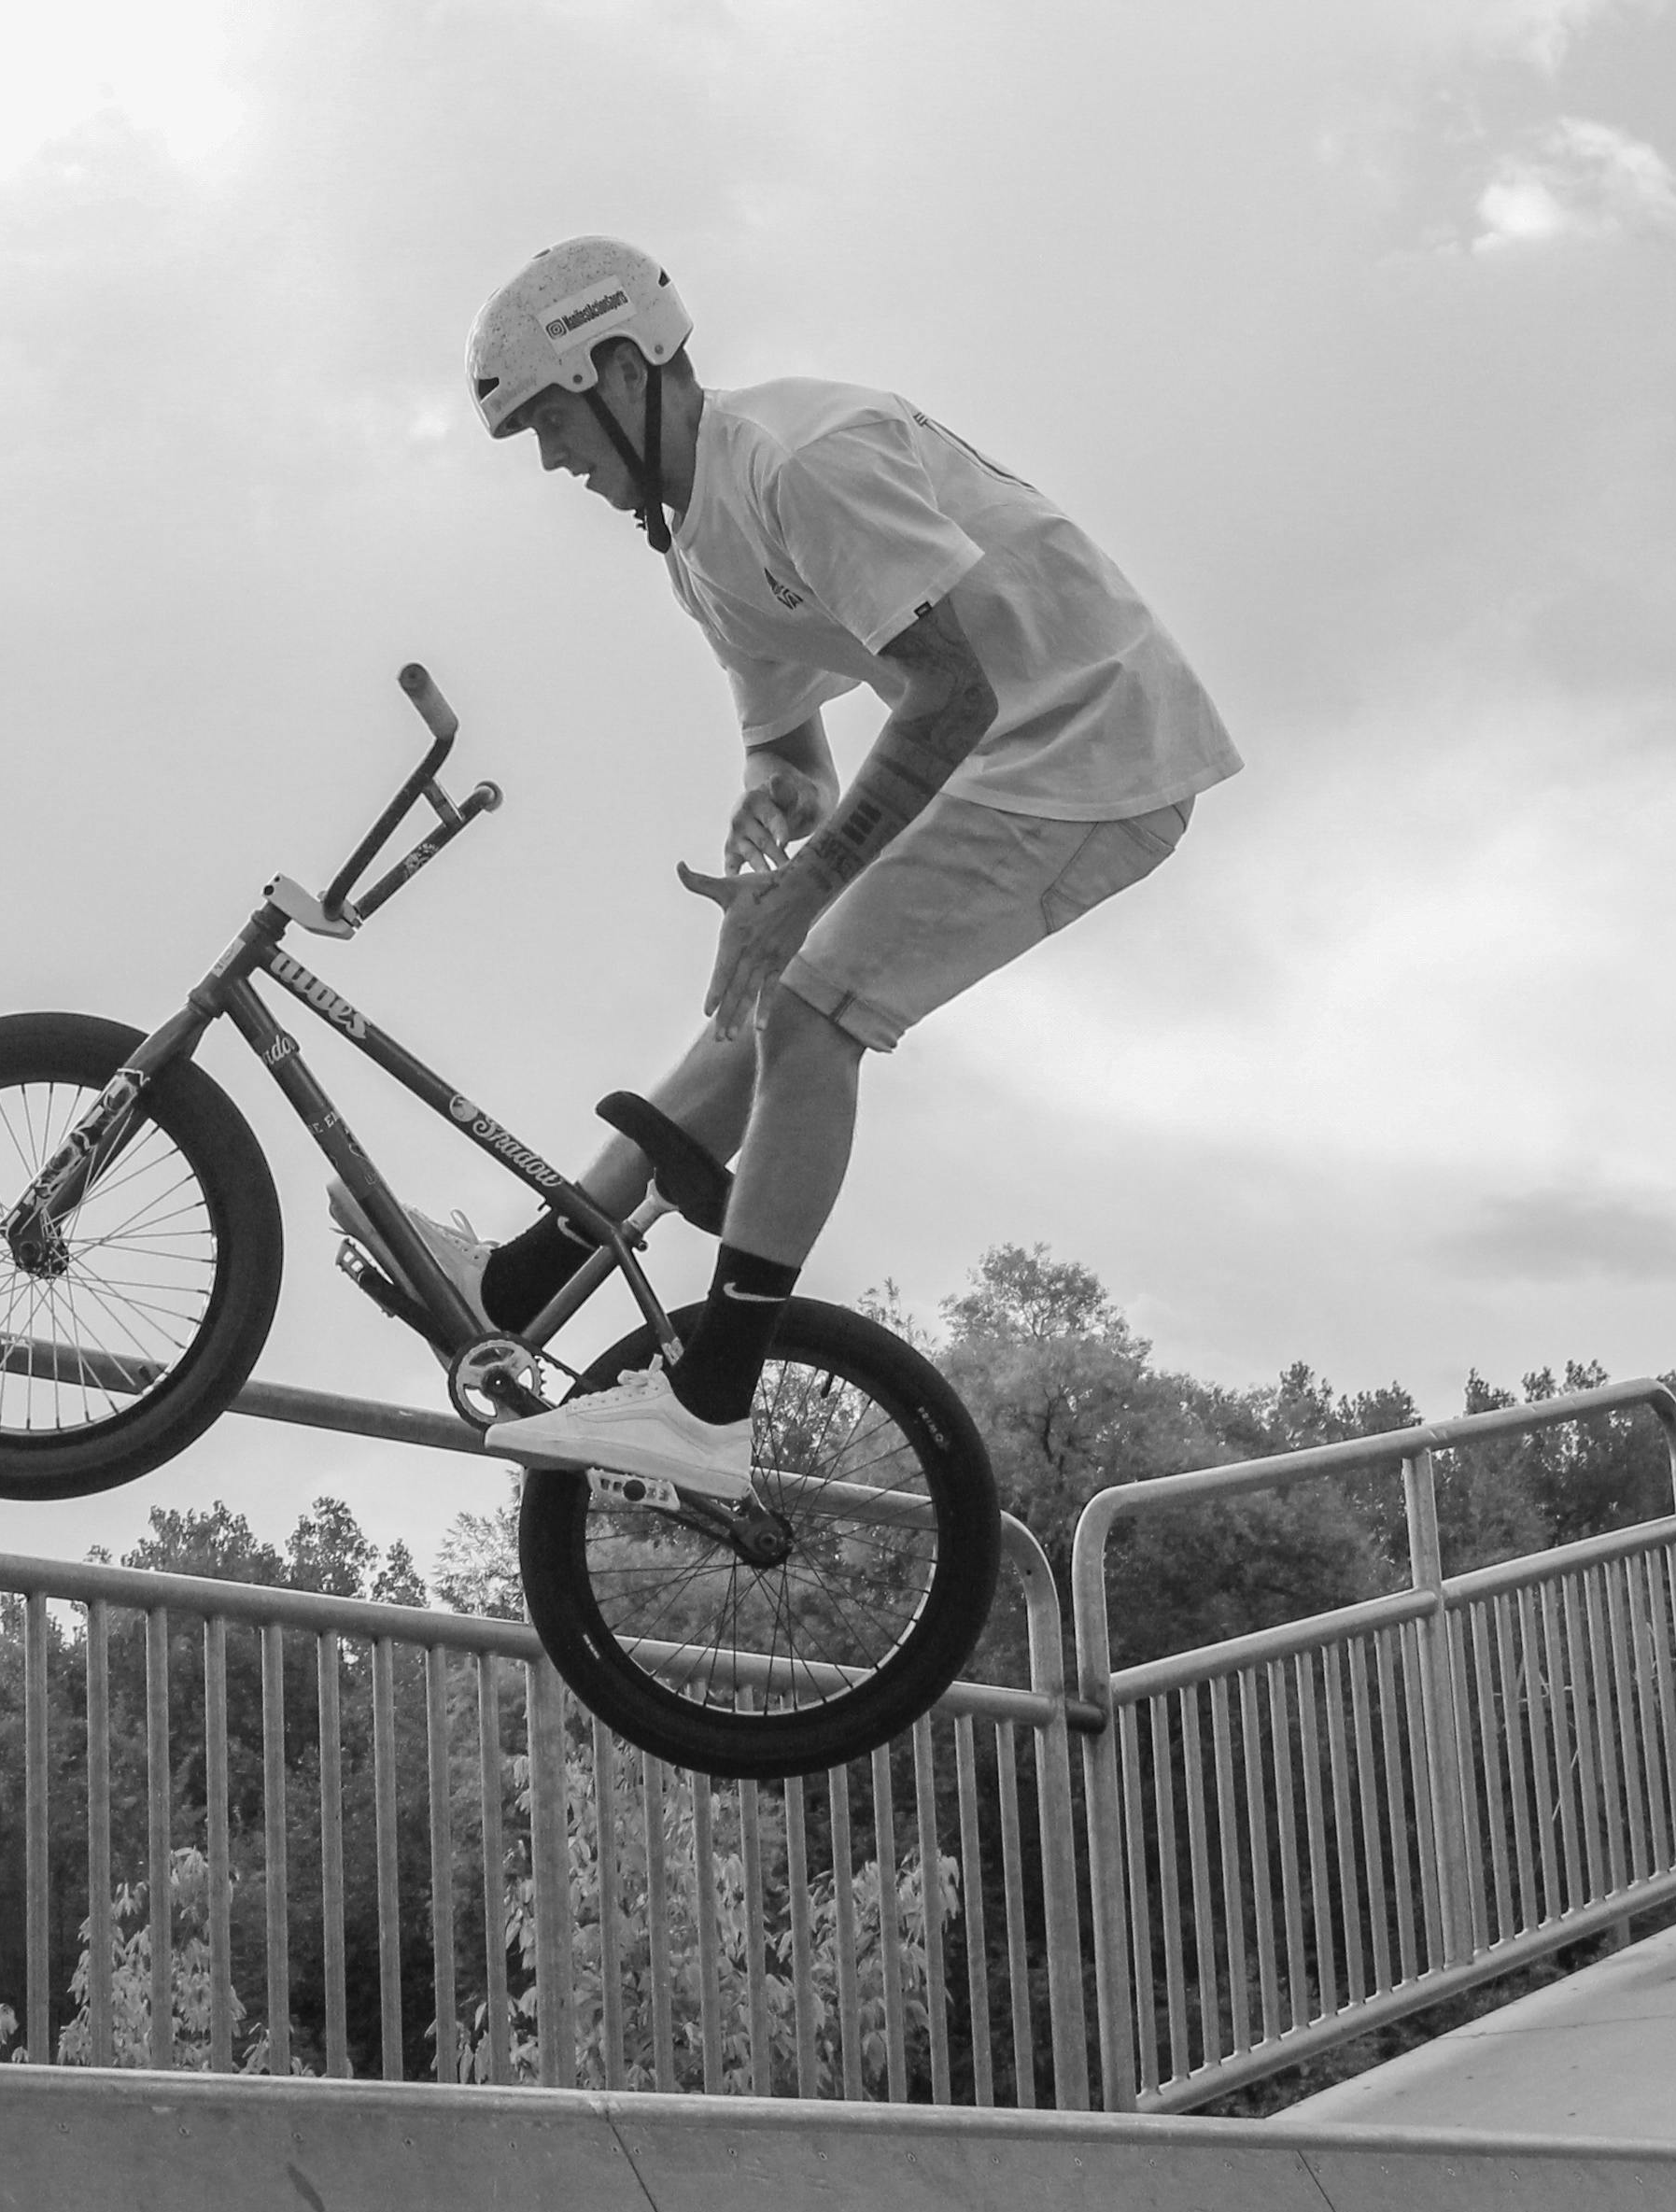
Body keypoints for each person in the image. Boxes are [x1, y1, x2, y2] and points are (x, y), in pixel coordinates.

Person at [354, 236, 1236, 1500]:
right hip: (1009, 749)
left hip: (1093, 744)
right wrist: (780, 814)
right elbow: (795, 751)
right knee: (766, 994)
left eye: (556, 423)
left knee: (810, 1006)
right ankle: (516, 1286)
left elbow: (946, 692)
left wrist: (809, 888)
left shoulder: (800, 461)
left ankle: (710, 1408)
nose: (555, 462)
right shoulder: (691, 544)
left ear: (622, 366)